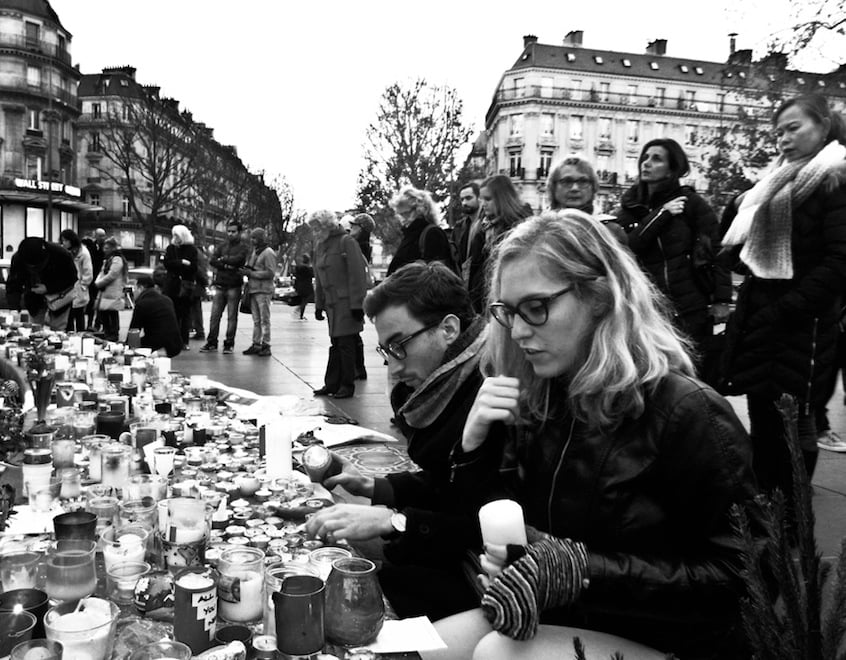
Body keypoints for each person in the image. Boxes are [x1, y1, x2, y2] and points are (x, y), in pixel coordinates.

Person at [427, 210, 757, 660]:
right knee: (423, 649)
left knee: (496, 653)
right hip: (567, 615)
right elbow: (495, 519)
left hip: (672, 640)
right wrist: (473, 448)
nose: (518, 331)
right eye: (509, 312)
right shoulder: (546, 395)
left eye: (536, 307)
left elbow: (747, 577)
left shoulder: (688, 411)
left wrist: (581, 572)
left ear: (600, 296)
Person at [306, 261, 498, 622]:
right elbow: (446, 483)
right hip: (454, 553)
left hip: (479, 576)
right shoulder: (446, 386)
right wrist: (375, 487)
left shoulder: (493, 391)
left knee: (349, 591)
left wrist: (394, 521)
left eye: (399, 346)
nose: (393, 368)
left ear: (449, 329)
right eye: (386, 351)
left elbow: (480, 520)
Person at [718, 93, 846, 486]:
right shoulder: (774, 184)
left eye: (793, 128)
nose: (783, 139)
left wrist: (786, 308)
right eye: (778, 132)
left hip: (802, 326)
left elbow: (839, 261)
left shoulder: (835, 180)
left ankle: (791, 514)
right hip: (762, 319)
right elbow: (734, 255)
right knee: (764, 421)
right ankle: (768, 510)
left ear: (823, 127)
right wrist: (738, 207)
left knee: (794, 423)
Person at [616, 139, 731, 374]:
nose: (646, 163)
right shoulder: (630, 208)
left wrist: (721, 300)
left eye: (656, 159)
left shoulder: (692, 204)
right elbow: (628, 248)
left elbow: (717, 251)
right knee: (650, 371)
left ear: (672, 169)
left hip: (690, 307)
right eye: (645, 158)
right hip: (647, 308)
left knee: (691, 372)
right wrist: (662, 214)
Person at [309, 210, 368, 398]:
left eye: (317, 228)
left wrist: (357, 305)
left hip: (346, 303)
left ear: (327, 226)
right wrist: (319, 304)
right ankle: (332, 384)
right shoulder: (320, 245)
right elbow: (319, 278)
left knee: (345, 344)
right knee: (336, 343)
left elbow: (357, 274)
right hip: (332, 304)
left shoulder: (347, 242)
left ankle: (346, 385)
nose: (315, 233)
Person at [467, 174, 530, 313]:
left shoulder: (520, 228)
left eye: (488, 199)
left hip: (509, 300)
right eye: (481, 199)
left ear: (502, 198)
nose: (483, 204)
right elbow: (475, 269)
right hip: (483, 301)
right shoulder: (482, 227)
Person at [5, 237, 78, 331]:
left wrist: (48, 288)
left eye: (36, 267)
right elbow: (13, 284)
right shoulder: (19, 258)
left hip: (60, 297)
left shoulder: (61, 254)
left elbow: (71, 278)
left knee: (58, 330)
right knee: (34, 329)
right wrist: (14, 308)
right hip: (34, 299)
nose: (34, 269)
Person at [200, 221, 247, 354]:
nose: (230, 234)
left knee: (231, 317)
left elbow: (239, 260)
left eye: (233, 231)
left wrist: (222, 260)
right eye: (229, 231)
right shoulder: (222, 246)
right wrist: (227, 264)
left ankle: (229, 344)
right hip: (221, 284)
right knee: (215, 316)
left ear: (239, 232)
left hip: (234, 285)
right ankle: (212, 342)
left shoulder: (243, 248)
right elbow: (212, 260)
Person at [386, 186, 456, 276]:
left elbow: (437, 275)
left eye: (406, 213)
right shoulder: (410, 234)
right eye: (400, 215)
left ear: (420, 210)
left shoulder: (432, 233)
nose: (402, 219)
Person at [241, 227, 277, 357]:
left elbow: (270, 272)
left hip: (263, 290)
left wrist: (252, 274)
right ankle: (256, 343)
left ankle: (266, 344)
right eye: (251, 238)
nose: (252, 240)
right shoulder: (255, 252)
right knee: (256, 320)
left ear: (261, 238)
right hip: (254, 289)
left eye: (254, 238)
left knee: (264, 319)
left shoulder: (268, 253)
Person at [129, 275, 183, 357]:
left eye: (134, 288)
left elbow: (134, 331)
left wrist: (127, 348)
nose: (133, 292)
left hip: (157, 345)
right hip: (175, 345)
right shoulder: (167, 300)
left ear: (141, 288)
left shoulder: (142, 304)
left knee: (135, 349)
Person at [349, 213, 375, 380]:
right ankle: (358, 367)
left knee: (352, 333)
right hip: (359, 293)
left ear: (362, 229)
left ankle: (357, 367)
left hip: (355, 294)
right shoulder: (362, 245)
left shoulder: (357, 246)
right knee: (354, 333)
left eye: (354, 226)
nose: (351, 228)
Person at [163, 224, 198, 346]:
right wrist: (182, 262)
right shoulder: (170, 248)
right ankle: (173, 339)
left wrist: (177, 265)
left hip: (185, 285)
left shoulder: (192, 249)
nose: (175, 238)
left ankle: (184, 340)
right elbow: (167, 263)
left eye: (177, 236)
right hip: (172, 285)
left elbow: (193, 268)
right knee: (172, 313)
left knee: (185, 314)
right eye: (174, 235)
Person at [93, 236, 127, 342]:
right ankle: (108, 332)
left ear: (113, 248)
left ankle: (113, 333)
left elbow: (112, 275)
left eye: (107, 248)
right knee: (105, 313)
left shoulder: (117, 259)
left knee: (111, 313)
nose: (104, 250)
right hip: (107, 292)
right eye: (104, 247)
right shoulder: (109, 259)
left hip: (112, 292)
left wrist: (99, 283)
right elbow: (103, 273)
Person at [60, 229, 92, 332]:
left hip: (78, 288)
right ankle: (70, 335)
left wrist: (83, 285)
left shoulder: (83, 253)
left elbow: (88, 272)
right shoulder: (64, 252)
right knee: (68, 316)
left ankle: (80, 335)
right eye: (62, 240)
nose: (64, 243)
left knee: (79, 315)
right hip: (68, 288)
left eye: (66, 240)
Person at [451, 181, 481, 285]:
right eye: (462, 199)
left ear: (479, 198)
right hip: (463, 282)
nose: (464, 203)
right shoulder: (459, 227)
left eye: (468, 198)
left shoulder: (487, 226)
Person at [83, 228, 105, 329]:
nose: (102, 238)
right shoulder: (91, 246)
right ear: (95, 236)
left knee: (100, 303)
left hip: (101, 279)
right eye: (100, 236)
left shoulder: (105, 247)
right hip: (92, 279)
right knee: (91, 303)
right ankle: (89, 324)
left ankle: (97, 324)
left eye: (103, 236)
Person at [291, 253, 314, 321]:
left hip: (299, 286)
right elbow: (312, 275)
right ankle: (299, 311)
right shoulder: (309, 268)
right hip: (307, 287)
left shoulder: (298, 267)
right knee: (305, 301)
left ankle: (300, 314)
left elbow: (295, 275)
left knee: (302, 300)